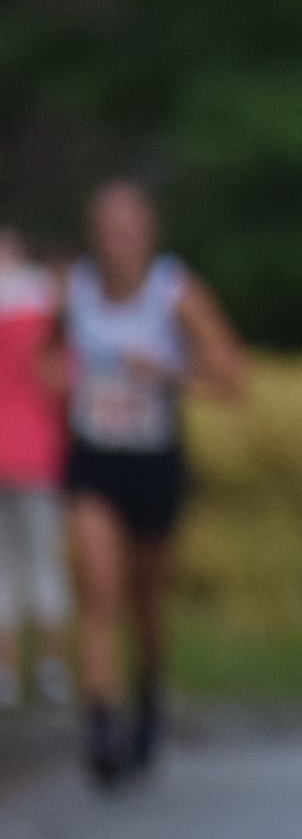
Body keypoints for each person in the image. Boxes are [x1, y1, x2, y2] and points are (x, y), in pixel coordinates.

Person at [60, 182, 247, 784]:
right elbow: (42, 358)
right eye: (106, 230)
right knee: (98, 590)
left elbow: (231, 374)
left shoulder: (175, 292)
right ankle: (101, 723)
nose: (116, 243)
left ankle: (148, 695)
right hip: (94, 457)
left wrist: (168, 371)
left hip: (154, 461)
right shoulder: (74, 290)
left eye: (127, 230)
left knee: (146, 603)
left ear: (149, 235)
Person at [0, 226, 73, 712]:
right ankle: (51, 667)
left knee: (4, 569)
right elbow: (61, 379)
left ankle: (6, 672)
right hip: (39, 453)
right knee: (45, 563)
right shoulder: (46, 308)